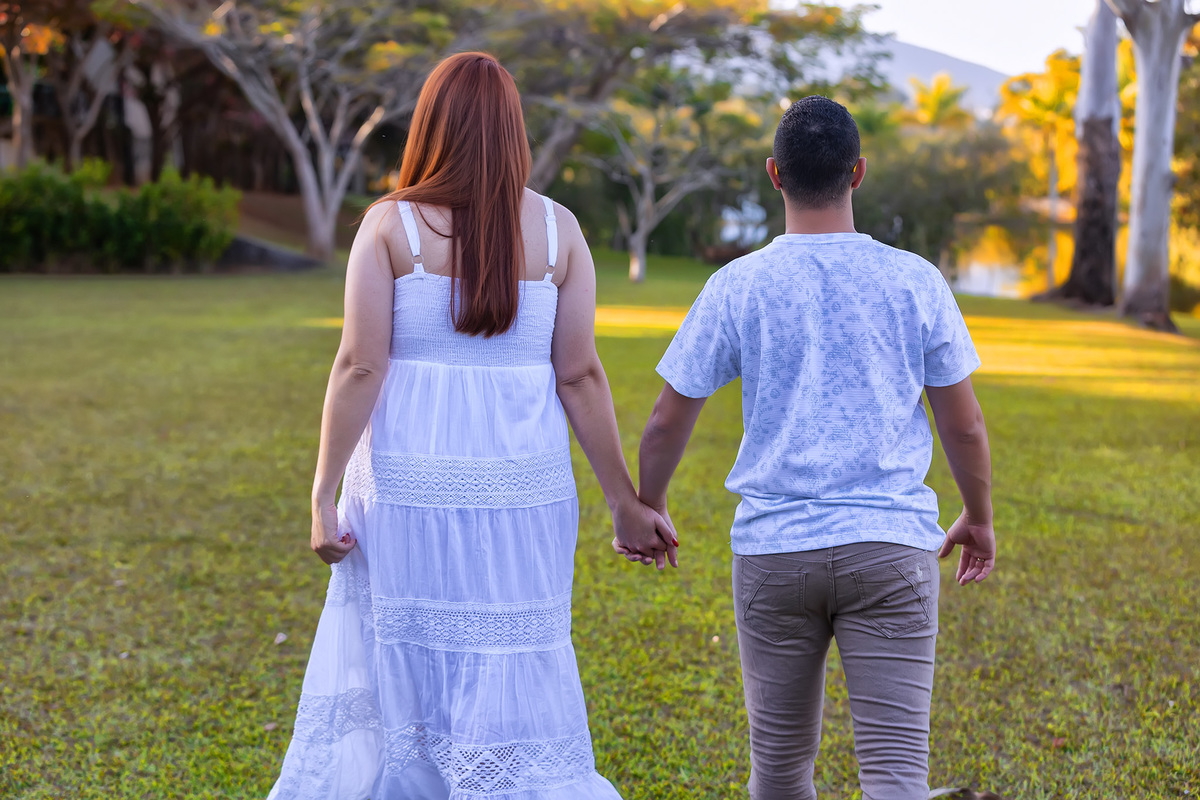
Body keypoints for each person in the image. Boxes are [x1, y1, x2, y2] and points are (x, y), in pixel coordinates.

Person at [267, 52, 675, 800]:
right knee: (511, 647)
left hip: (407, 484)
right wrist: (624, 501)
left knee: (407, 648)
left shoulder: (390, 224)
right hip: (525, 490)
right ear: (513, 132)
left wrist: (321, 494)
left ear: (430, 126)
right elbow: (580, 375)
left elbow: (359, 364)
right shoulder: (559, 230)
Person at [620, 96, 996, 800]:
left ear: (774, 174)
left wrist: (650, 503)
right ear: (858, 173)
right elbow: (965, 426)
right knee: (896, 773)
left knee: (781, 769)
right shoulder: (915, 279)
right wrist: (978, 516)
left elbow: (666, 422)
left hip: (774, 553)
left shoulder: (738, 284)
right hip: (891, 549)